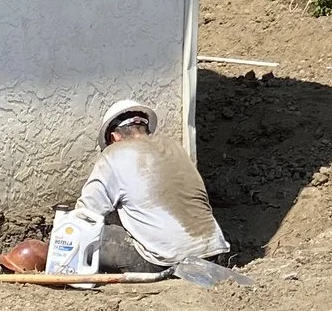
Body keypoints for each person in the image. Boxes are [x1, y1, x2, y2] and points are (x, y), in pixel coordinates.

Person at [73, 99, 231, 276]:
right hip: (214, 253)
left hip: (165, 262)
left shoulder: (113, 154)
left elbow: (86, 214)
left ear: (113, 137)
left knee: (81, 236)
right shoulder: (175, 147)